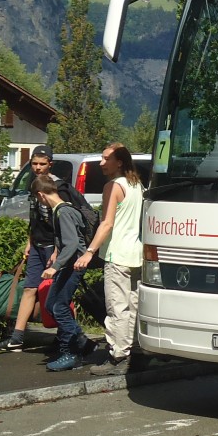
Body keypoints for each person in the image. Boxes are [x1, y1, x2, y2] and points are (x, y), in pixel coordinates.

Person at [0, 145, 80, 353]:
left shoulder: (60, 187)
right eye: (34, 164)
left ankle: (65, 337)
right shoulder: (35, 185)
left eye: (42, 164)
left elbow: (65, 222)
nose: (38, 168)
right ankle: (17, 338)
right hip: (38, 245)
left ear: (50, 163)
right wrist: (30, 241)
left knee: (58, 293)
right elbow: (35, 218)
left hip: (54, 247)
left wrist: (59, 250)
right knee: (30, 289)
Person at [76, 143, 143, 376]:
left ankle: (118, 356)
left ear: (119, 162)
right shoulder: (136, 185)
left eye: (106, 159)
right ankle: (133, 351)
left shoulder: (113, 186)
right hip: (136, 254)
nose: (102, 163)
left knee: (117, 308)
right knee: (133, 306)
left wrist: (89, 251)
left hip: (117, 254)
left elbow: (107, 223)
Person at [34, 173, 98, 371]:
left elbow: (71, 244)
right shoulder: (61, 210)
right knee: (52, 304)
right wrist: (56, 253)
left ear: (41, 195)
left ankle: (71, 353)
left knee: (59, 307)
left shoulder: (63, 212)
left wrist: (55, 266)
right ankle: (82, 343)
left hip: (74, 266)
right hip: (69, 264)